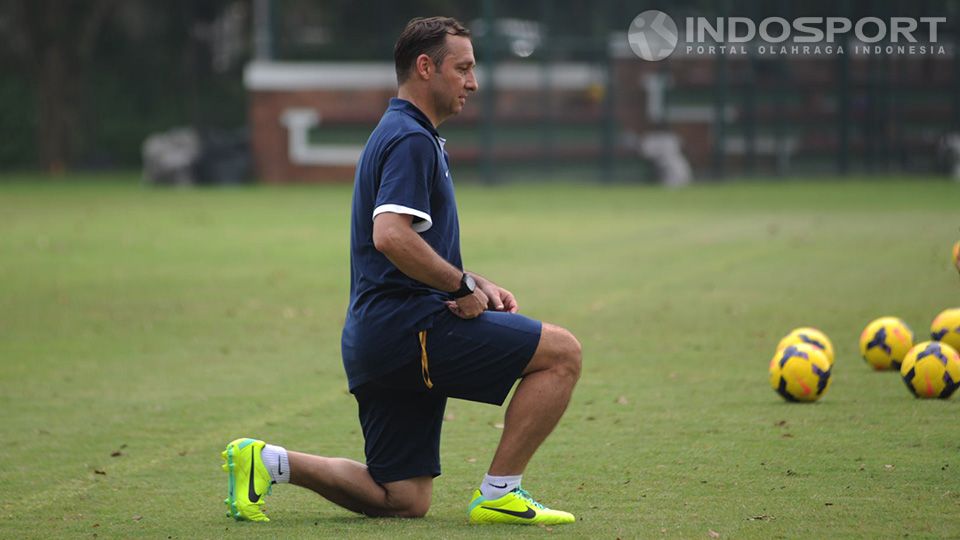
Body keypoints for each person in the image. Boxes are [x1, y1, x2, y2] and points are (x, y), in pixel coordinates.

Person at [221, 16, 582, 526]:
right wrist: (461, 285)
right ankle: (501, 492)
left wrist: (473, 279)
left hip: (377, 336)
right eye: (463, 69)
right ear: (425, 67)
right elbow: (390, 235)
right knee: (561, 354)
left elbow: (407, 241)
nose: (472, 83)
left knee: (403, 499)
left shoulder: (403, 133)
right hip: (410, 328)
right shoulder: (411, 138)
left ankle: (268, 462)